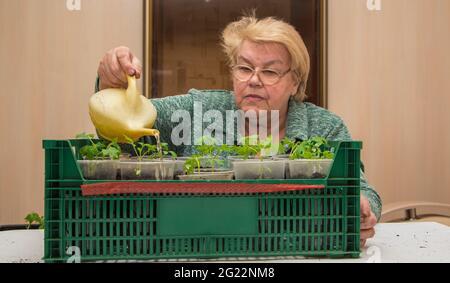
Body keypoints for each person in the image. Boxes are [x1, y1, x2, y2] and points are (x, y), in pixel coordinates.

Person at [95, 15, 381, 248]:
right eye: (244, 68)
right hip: (202, 255)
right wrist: (113, 84)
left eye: (270, 72)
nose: (253, 80)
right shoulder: (199, 109)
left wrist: (363, 209)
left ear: (295, 83)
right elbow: (130, 126)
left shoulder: (326, 128)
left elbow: (363, 190)